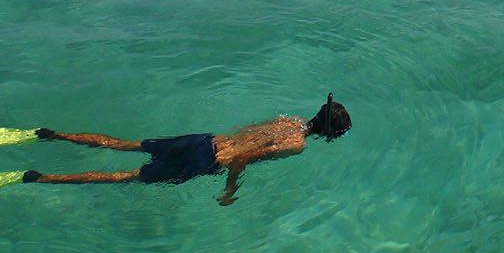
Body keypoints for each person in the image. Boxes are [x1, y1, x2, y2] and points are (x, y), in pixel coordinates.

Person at [20, 94, 351, 205]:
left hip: (203, 140)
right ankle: (45, 178)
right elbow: (245, 157)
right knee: (123, 176)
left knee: (126, 144)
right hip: (206, 159)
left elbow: (246, 137)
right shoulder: (298, 145)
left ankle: (55, 135)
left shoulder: (289, 121)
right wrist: (229, 189)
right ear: (330, 133)